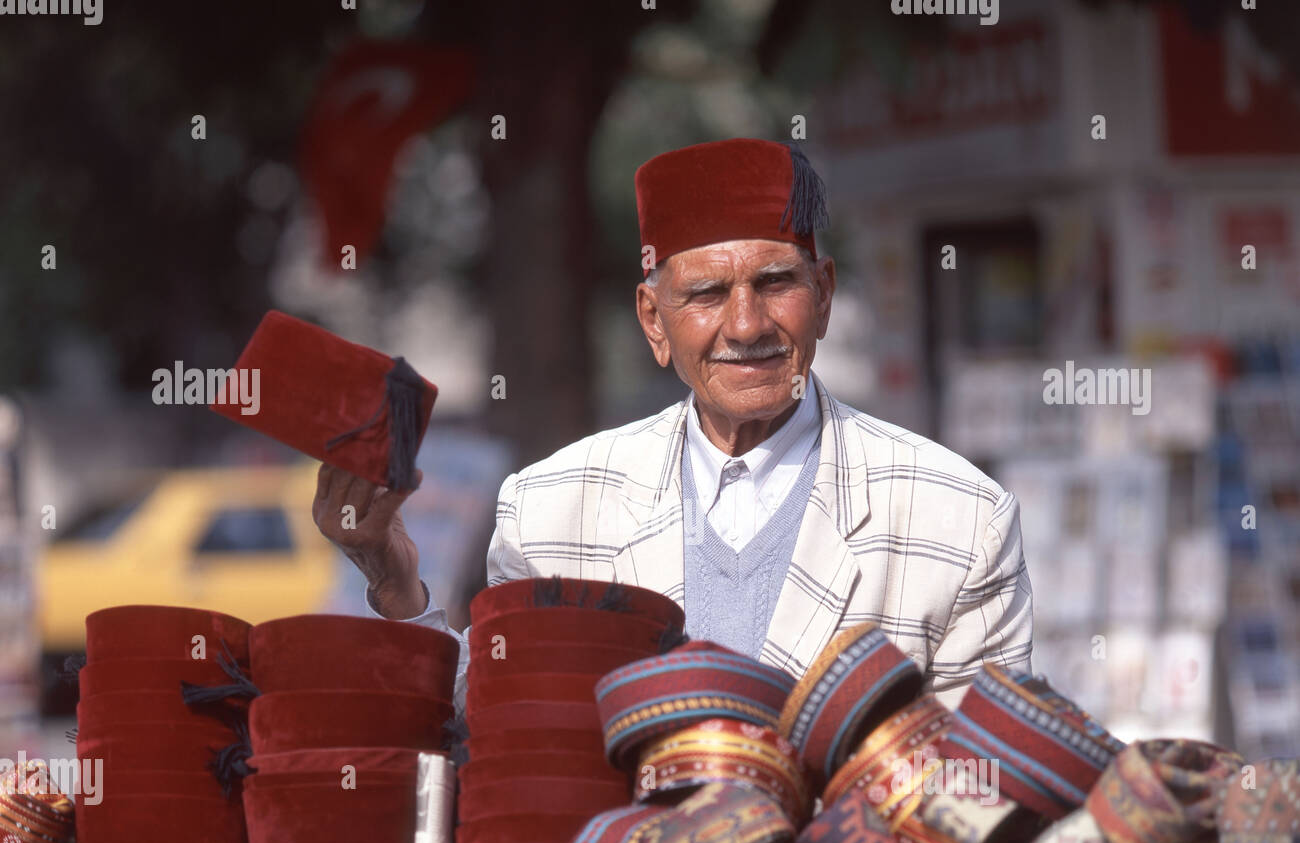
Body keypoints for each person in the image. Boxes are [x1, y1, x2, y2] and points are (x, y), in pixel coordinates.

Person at [313, 138, 1033, 714]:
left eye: (776, 283)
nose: (747, 325)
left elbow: (982, 790)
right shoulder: (551, 507)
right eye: (707, 294)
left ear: (825, 295)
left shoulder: (958, 517)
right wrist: (393, 578)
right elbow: (502, 737)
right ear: (654, 323)